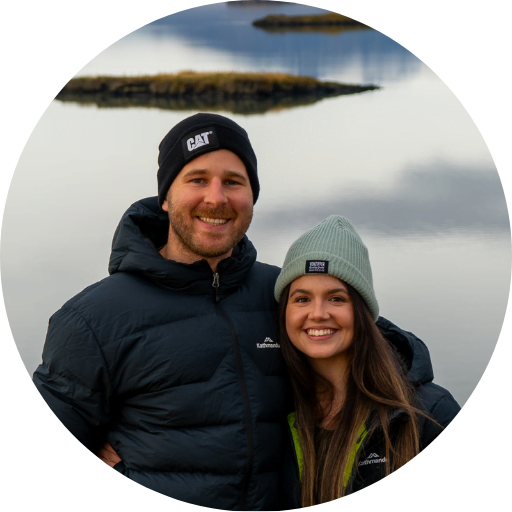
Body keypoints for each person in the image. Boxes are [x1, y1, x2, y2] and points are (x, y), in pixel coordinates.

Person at [32, 113, 289, 512]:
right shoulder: (93, 319)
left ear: (252, 196)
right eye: (197, 179)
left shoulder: (288, 295)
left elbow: (387, 365)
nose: (217, 198)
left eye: (234, 182)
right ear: (166, 197)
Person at [273, 215, 462, 510]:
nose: (318, 313)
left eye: (336, 298)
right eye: (302, 299)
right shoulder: (271, 404)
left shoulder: (428, 414)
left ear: (362, 312)